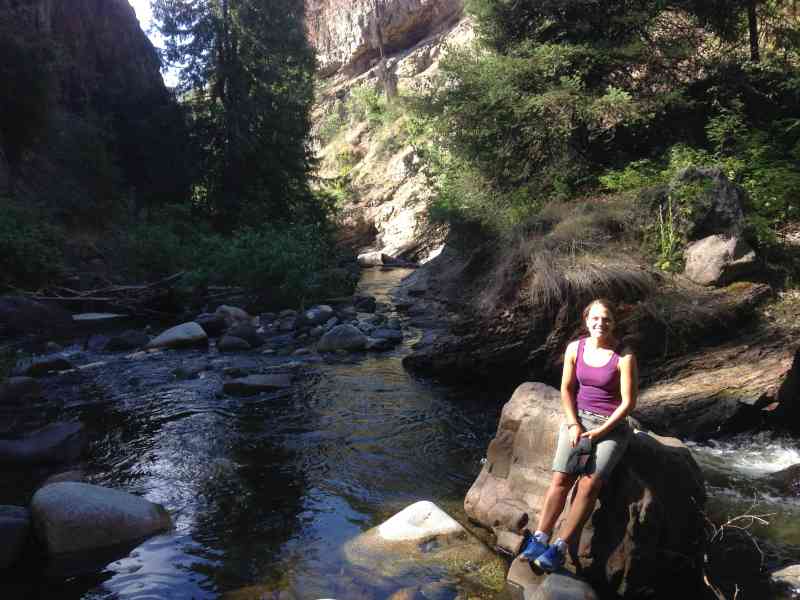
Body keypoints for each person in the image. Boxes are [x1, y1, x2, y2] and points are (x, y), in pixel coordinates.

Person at [519, 298, 638, 572]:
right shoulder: (576, 348)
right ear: (586, 321)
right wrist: (574, 424)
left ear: (614, 322)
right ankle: (540, 537)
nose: (600, 323)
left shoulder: (624, 355)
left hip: (612, 427)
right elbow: (566, 389)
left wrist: (601, 430)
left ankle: (560, 547)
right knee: (561, 478)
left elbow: (628, 403)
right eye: (595, 318)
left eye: (606, 319)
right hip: (579, 421)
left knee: (589, 484)